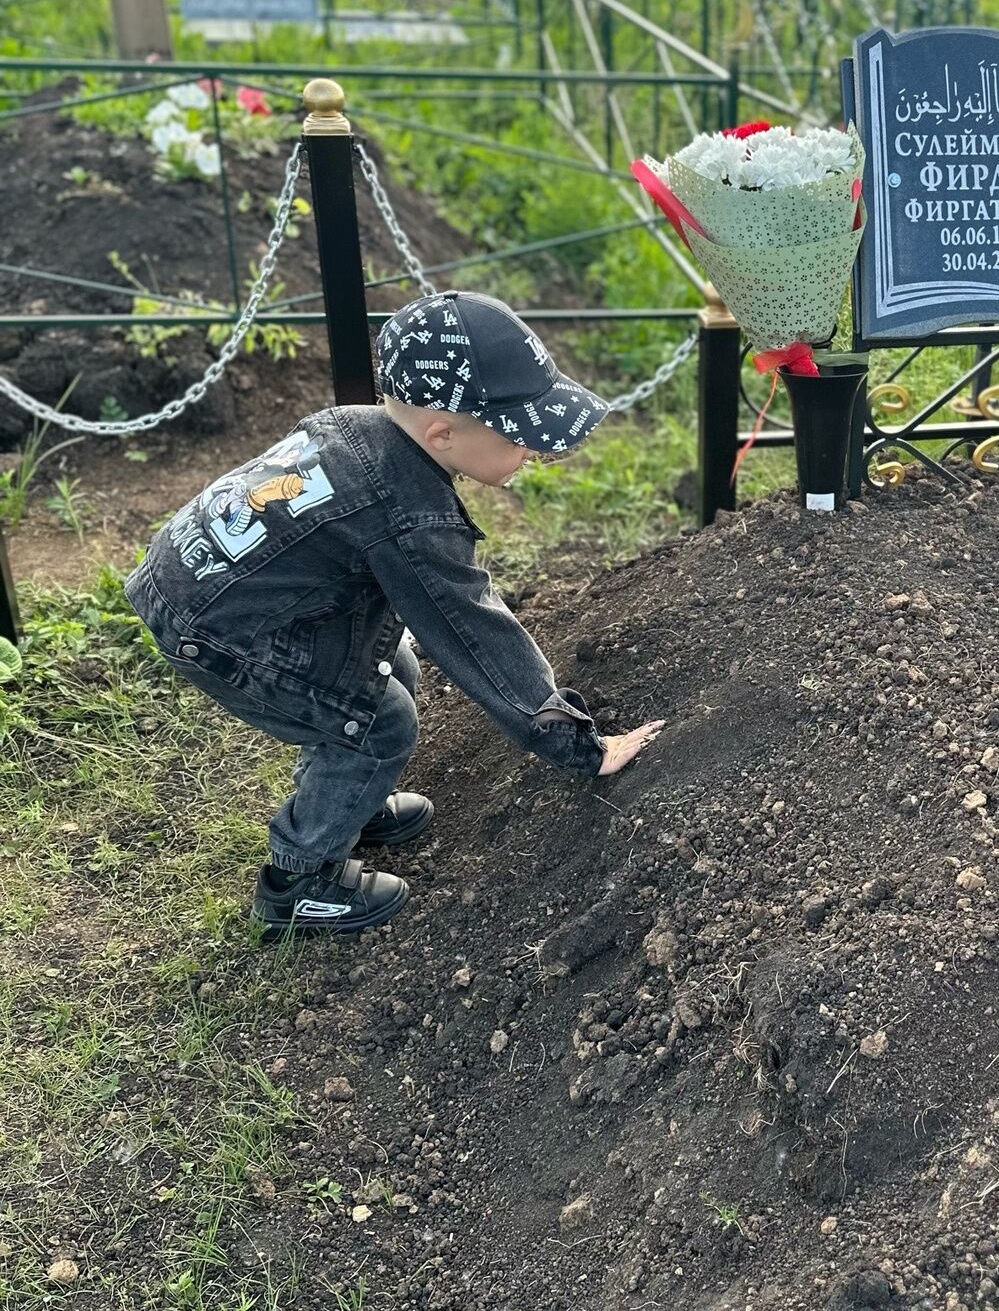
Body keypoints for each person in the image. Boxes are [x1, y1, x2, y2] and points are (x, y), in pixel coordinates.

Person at [125, 290, 664, 938]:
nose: (535, 454)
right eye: (522, 437)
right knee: (377, 723)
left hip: (198, 579)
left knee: (391, 660)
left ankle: (351, 800)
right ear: (444, 433)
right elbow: (475, 633)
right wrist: (576, 742)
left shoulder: (355, 426)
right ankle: (299, 881)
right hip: (219, 632)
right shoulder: (410, 514)